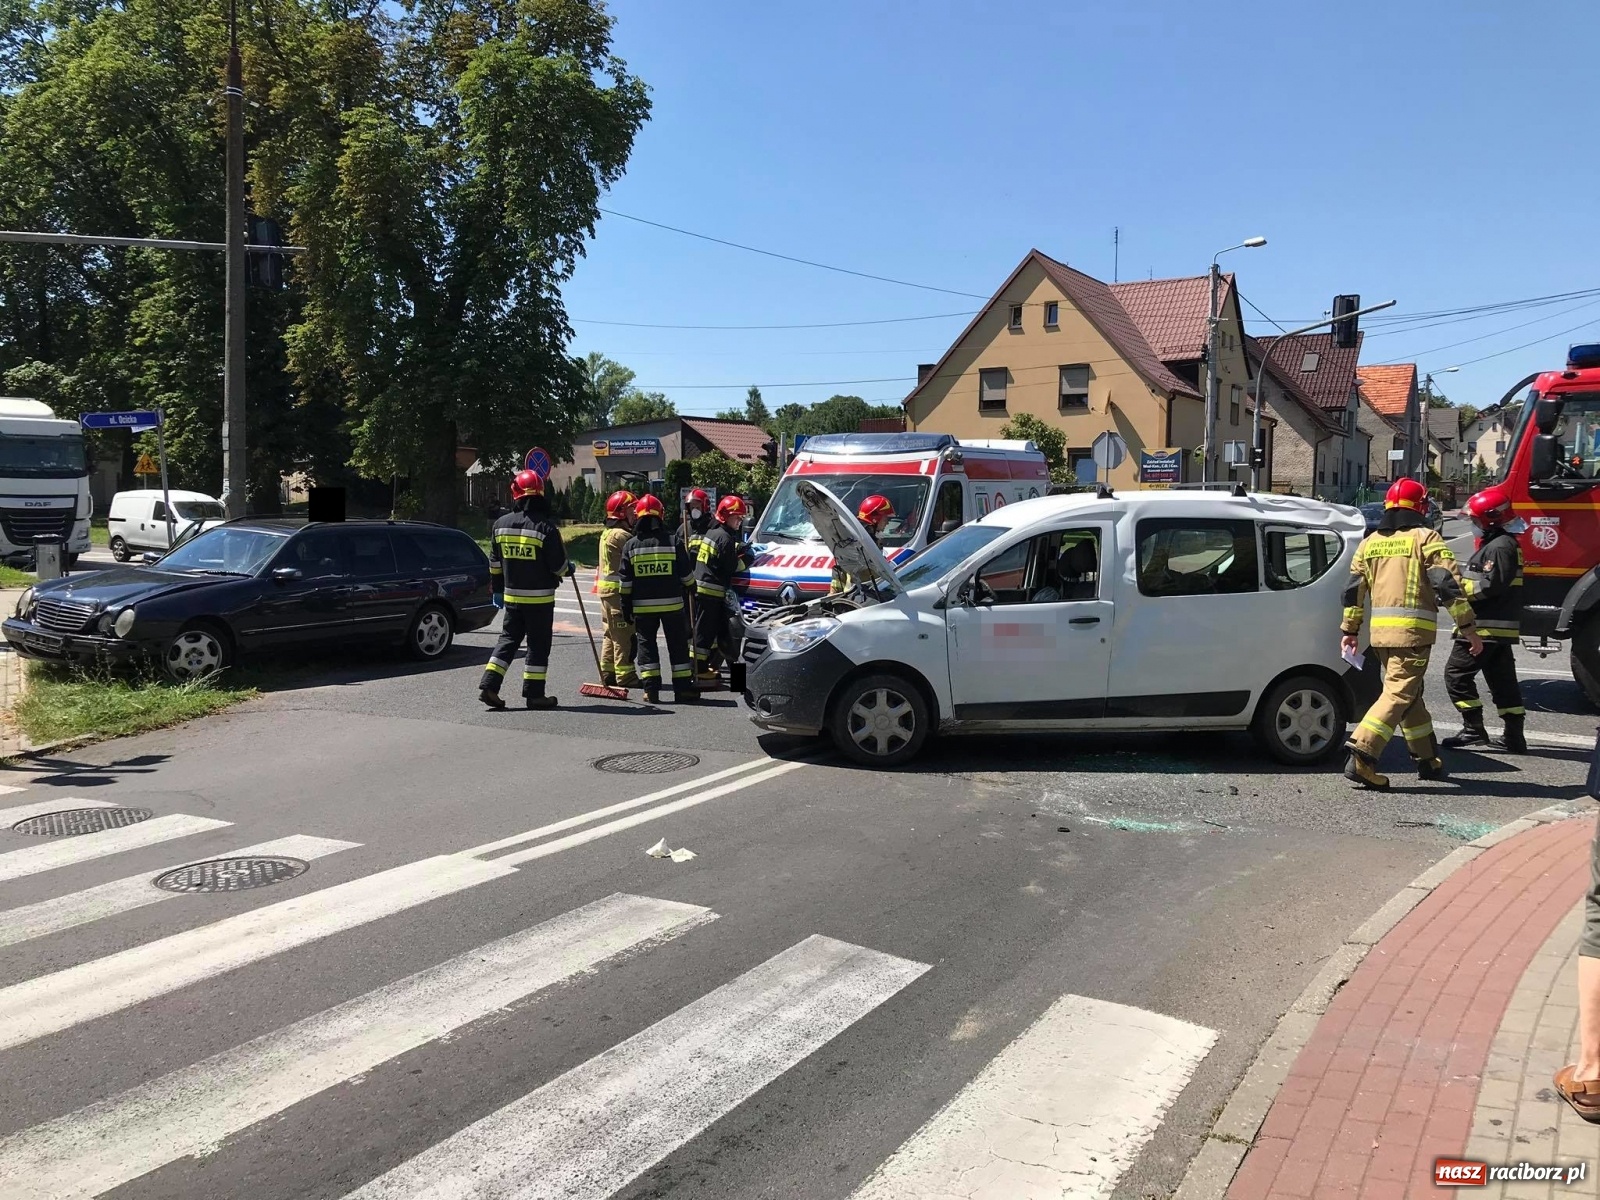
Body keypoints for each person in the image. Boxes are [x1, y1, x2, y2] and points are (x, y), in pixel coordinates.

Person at [1339, 477, 1483, 789]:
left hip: (1380, 636)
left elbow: (1353, 592)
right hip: (1413, 635)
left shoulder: (1370, 543)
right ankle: (1362, 753)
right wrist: (1468, 627)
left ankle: (1427, 759)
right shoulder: (1425, 537)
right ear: (1420, 508)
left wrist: (1350, 630)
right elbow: (1447, 584)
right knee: (1399, 694)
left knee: (1409, 695)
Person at [1441, 484, 1528, 753]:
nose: (1474, 525)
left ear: (1492, 518)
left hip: (1485, 626)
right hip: (1496, 627)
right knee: (1502, 682)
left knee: (1456, 675)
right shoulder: (1499, 544)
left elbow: (1491, 585)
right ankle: (1514, 737)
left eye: (1476, 520)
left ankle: (1473, 729)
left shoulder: (1501, 547)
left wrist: (1456, 593)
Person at [480, 469, 570, 711]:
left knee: (508, 640)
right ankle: (534, 694)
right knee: (538, 645)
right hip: (539, 601)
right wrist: (568, 568)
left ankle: (489, 685)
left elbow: (495, 564)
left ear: (516, 495)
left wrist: (498, 590)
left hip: (512, 599)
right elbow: (558, 566)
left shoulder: (500, 525)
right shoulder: (546, 528)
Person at [620, 493, 698, 704]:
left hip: (643, 609)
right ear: (661, 516)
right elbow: (686, 574)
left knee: (647, 646)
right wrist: (693, 587)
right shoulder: (674, 541)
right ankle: (682, 690)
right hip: (673, 606)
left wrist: (625, 608)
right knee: (678, 646)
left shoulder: (631, 546)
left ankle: (651, 690)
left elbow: (625, 584)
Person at [693, 494, 750, 681]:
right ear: (726, 516)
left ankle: (703, 668)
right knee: (729, 634)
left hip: (705, 592)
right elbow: (732, 567)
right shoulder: (724, 538)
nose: (740, 521)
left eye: (741, 518)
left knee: (715, 633)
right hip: (714, 594)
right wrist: (749, 559)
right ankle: (700, 670)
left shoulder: (714, 533)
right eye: (737, 517)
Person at [597, 489, 641, 689]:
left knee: (610, 634)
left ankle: (608, 672)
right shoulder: (622, 536)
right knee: (625, 635)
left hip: (606, 594)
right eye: (632, 509)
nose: (636, 513)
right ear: (621, 512)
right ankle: (626, 676)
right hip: (618, 595)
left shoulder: (607, 533)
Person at [831, 494, 894, 593]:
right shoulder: (856, 542)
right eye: (885, 519)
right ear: (875, 519)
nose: (887, 523)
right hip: (857, 599)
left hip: (871, 597)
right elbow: (841, 570)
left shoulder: (872, 539)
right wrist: (833, 595)